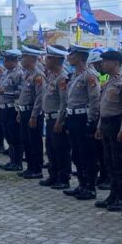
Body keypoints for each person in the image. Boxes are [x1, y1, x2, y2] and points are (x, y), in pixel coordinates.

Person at [95, 50, 122, 211]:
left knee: (120, 163)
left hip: (117, 124)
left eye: (105, 61)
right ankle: (113, 194)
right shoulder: (108, 81)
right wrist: (99, 127)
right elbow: (103, 107)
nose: (102, 64)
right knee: (109, 161)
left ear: (115, 63)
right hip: (106, 124)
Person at [61, 44, 100, 200]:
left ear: (80, 57)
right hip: (73, 117)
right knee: (76, 154)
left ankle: (90, 187)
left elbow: (95, 99)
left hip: (84, 118)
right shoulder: (74, 75)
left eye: (72, 54)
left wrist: (91, 121)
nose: (69, 57)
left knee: (87, 155)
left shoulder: (89, 75)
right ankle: (82, 184)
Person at [39, 46, 70, 188]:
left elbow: (64, 102)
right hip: (49, 118)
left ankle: (63, 178)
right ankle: (53, 175)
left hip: (57, 119)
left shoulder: (63, 77)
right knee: (51, 149)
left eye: (49, 58)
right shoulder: (52, 76)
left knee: (60, 150)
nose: (46, 60)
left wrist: (60, 120)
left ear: (56, 60)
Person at [16, 45, 44, 179]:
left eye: (24, 56)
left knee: (34, 142)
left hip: (33, 113)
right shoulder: (27, 74)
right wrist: (19, 112)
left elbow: (39, 97)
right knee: (26, 141)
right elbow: (23, 95)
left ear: (31, 58)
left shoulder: (38, 75)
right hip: (24, 112)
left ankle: (37, 169)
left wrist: (34, 115)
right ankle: (30, 167)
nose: (21, 59)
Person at [0, 50, 23, 171]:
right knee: (8, 135)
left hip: (13, 108)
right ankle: (12, 160)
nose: (5, 62)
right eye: (5, 60)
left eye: (7, 60)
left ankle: (17, 163)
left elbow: (20, 92)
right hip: (3, 107)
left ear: (14, 61)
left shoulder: (19, 74)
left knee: (15, 136)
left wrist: (5, 92)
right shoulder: (6, 72)